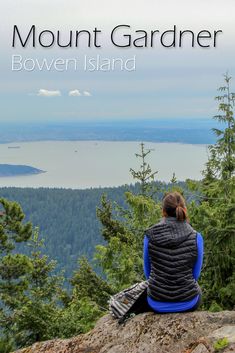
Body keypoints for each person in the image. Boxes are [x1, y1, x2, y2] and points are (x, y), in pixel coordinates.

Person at [143, 191, 203, 313]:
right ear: (183, 209)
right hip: (188, 302)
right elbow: (195, 275)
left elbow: (147, 273)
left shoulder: (149, 236)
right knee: (199, 292)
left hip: (156, 302)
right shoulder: (196, 237)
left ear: (163, 211)